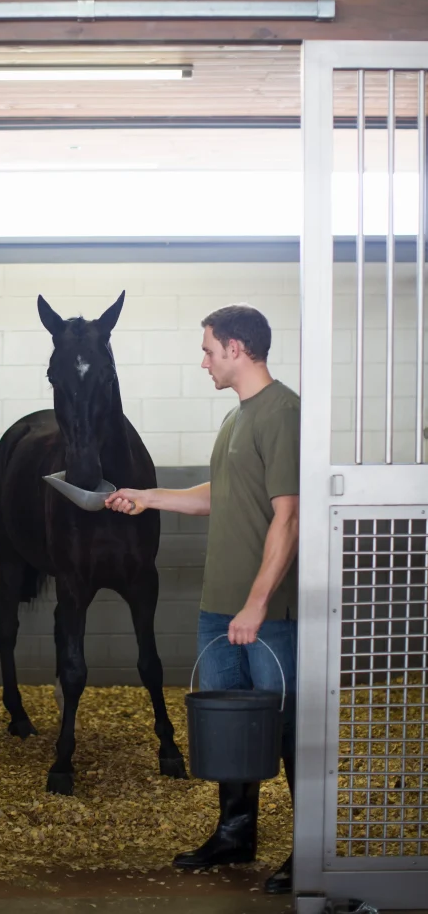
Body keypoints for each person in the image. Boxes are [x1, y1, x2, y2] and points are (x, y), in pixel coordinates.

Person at [106, 304, 299, 896]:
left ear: (237, 348)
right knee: (230, 726)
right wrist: (149, 497)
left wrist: (257, 603)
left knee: (284, 726)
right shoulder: (235, 419)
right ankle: (236, 832)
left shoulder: (284, 412)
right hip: (220, 606)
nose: (204, 361)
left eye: (209, 349)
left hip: (265, 614)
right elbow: (220, 494)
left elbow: (288, 516)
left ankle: (309, 848)